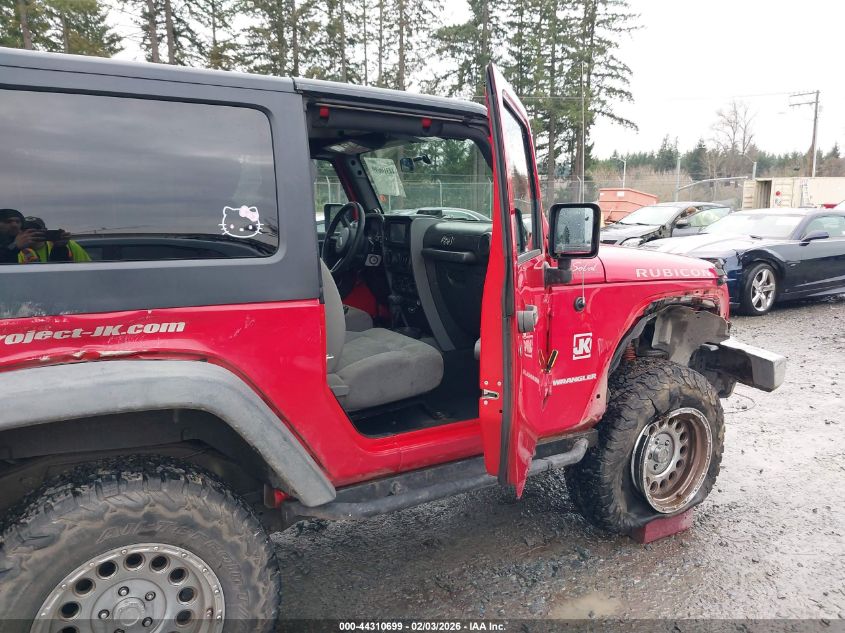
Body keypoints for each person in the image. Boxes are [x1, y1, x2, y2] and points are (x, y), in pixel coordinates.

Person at [16, 216, 90, 263]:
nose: (31, 233)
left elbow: (87, 267)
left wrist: (61, 247)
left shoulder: (68, 245)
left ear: (45, 231)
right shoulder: (15, 250)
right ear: (19, 232)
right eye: (26, 230)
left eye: (36, 229)